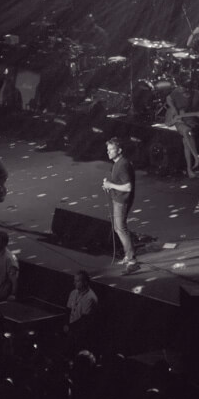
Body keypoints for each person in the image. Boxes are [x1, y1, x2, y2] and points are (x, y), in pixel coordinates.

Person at [101, 137, 136, 268]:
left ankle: (132, 259)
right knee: (118, 228)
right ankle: (129, 255)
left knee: (121, 228)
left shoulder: (123, 165)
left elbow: (128, 187)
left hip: (122, 201)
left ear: (119, 150)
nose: (108, 152)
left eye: (111, 149)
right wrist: (109, 185)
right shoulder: (117, 163)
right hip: (117, 200)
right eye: (107, 150)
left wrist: (111, 185)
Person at [165, 78, 199, 177]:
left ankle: (189, 170)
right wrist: (174, 109)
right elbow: (168, 98)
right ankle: (196, 157)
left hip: (192, 121)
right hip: (179, 121)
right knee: (187, 131)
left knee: (186, 142)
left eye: (182, 88)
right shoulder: (176, 92)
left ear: (188, 89)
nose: (179, 89)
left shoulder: (198, 95)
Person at [65, 270, 98, 352]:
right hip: (71, 331)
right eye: (74, 280)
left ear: (85, 282)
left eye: (77, 281)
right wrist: (66, 324)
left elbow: (85, 319)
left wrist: (70, 327)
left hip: (82, 334)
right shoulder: (73, 293)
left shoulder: (90, 298)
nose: (74, 283)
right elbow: (68, 310)